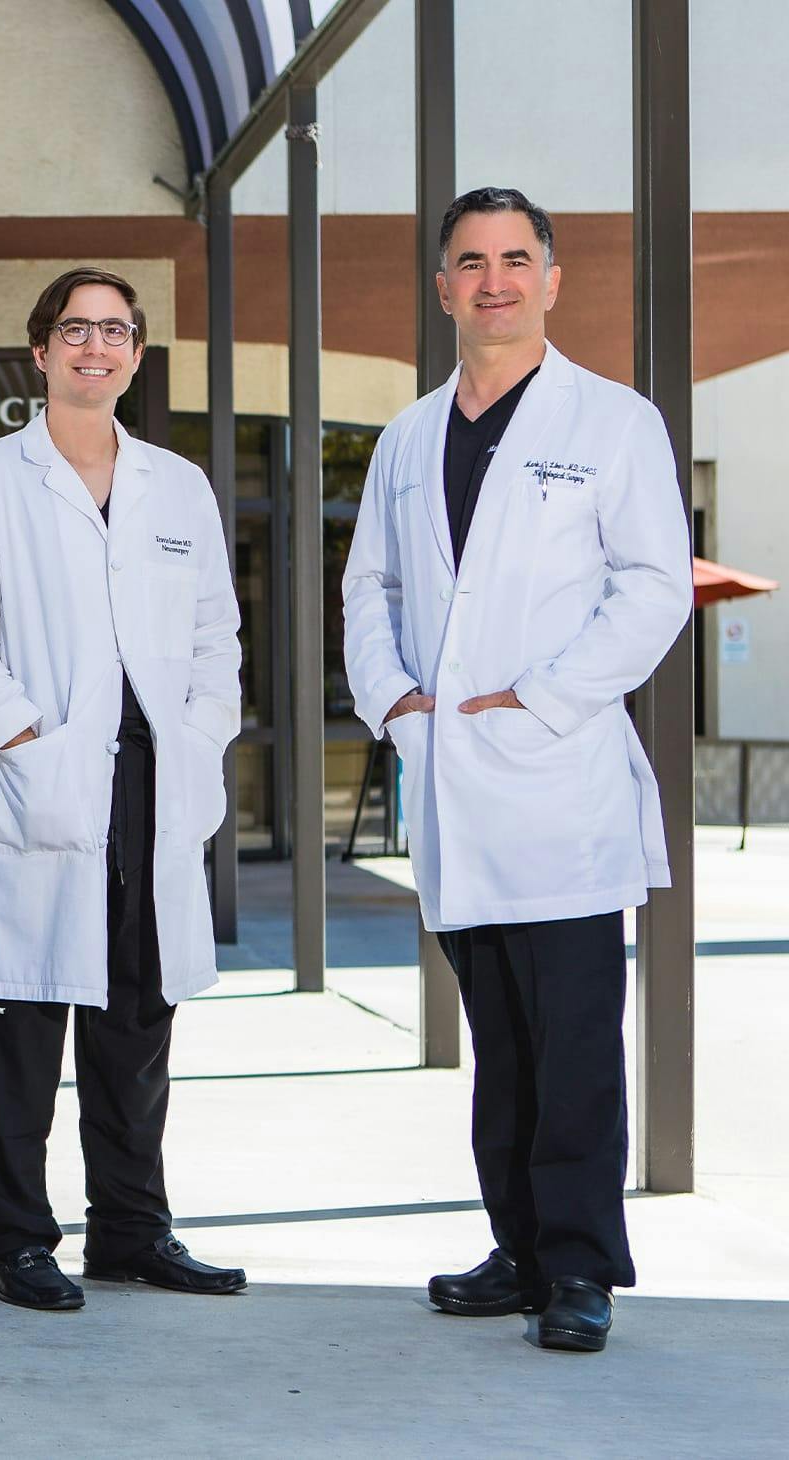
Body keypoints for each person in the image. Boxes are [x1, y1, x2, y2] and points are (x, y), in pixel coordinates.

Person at [342, 187, 691, 1352]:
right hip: (451, 781)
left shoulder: (613, 423)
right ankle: (520, 1246)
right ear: (441, 286)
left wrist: (540, 698)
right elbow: (368, 590)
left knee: (577, 1043)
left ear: (551, 278)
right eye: (469, 261)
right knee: (500, 1042)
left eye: (514, 258)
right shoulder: (405, 436)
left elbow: (653, 586)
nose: (492, 279)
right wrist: (395, 702)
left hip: (559, 779)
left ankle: (582, 1265)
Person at [0, 267, 246, 1311]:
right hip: (49, 775)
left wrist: (198, 741)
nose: (93, 346)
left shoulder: (176, 486)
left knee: (137, 1021)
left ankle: (131, 1232)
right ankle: (12, 1239)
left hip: (153, 782)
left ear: (136, 354)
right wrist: (29, 745)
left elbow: (213, 638)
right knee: (19, 1023)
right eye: (74, 329)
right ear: (40, 350)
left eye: (114, 330)